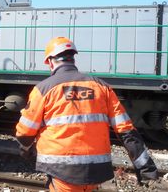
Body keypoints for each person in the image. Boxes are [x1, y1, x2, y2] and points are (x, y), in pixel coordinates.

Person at [15, 37, 158, 191]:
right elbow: (126, 131)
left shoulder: (43, 89)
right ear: (73, 59)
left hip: (61, 170)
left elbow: (25, 132)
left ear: (50, 62)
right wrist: (145, 168)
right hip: (96, 170)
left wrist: (26, 150)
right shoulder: (102, 87)